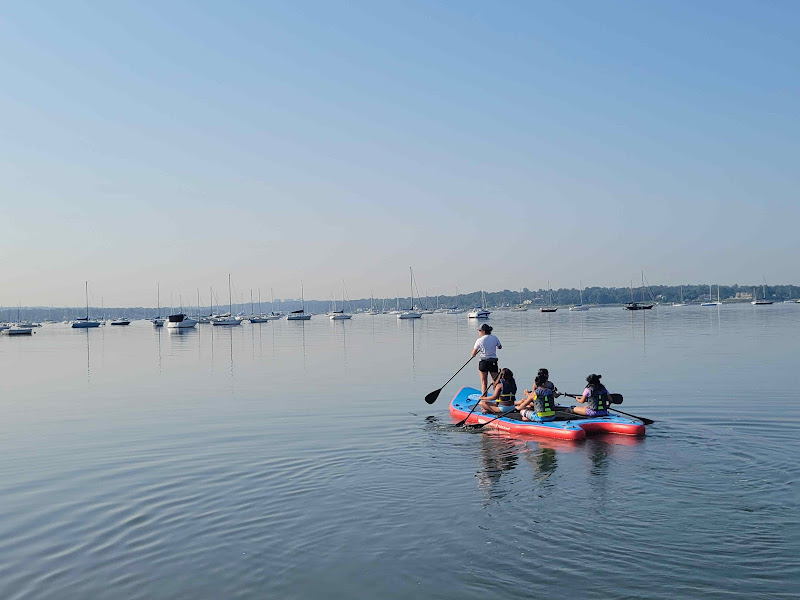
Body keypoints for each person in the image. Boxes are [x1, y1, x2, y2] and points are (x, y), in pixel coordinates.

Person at [472, 323, 501, 395]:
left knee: (484, 382)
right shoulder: (495, 338)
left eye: (479, 330)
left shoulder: (479, 340)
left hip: (483, 362)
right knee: (496, 381)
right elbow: (500, 347)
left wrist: (474, 355)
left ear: (483, 331)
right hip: (493, 362)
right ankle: (499, 397)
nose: (478, 332)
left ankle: (484, 399)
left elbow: (473, 353)